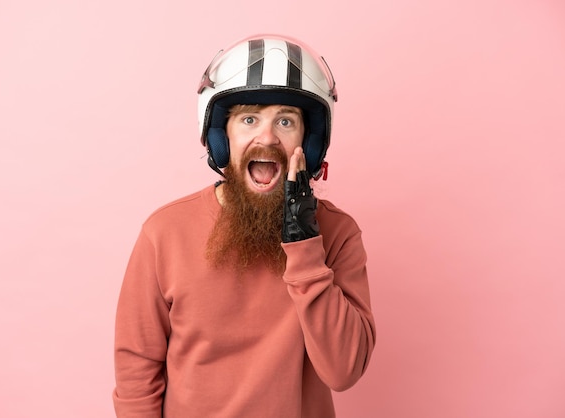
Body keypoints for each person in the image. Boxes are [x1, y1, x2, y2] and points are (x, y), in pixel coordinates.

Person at [113, 34, 376, 418]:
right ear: (223, 139)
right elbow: (136, 372)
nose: (266, 137)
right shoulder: (163, 232)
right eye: (248, 119)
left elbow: (344, 370)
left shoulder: (338, 234)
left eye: (285, 121)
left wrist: (305, 245)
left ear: (310, 142)